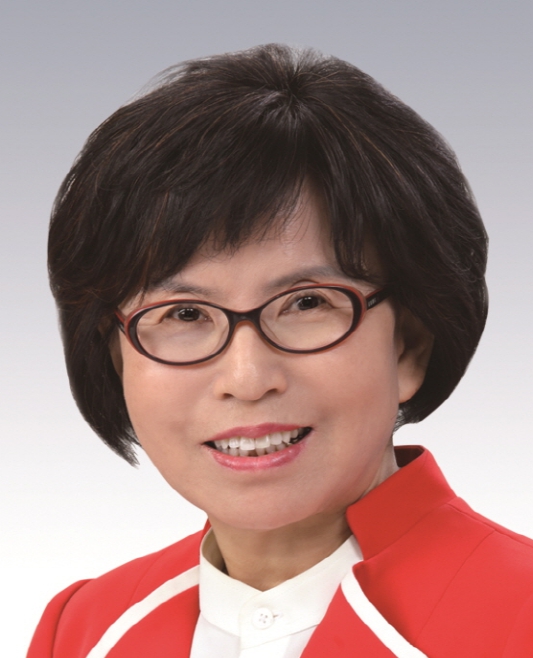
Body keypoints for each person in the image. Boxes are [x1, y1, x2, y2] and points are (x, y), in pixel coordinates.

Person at [27, 44, 533, 658]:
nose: (247, 377)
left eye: (307, 303)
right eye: (184, 314)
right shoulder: (83, 630)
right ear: (116, 358)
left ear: (410, 346)